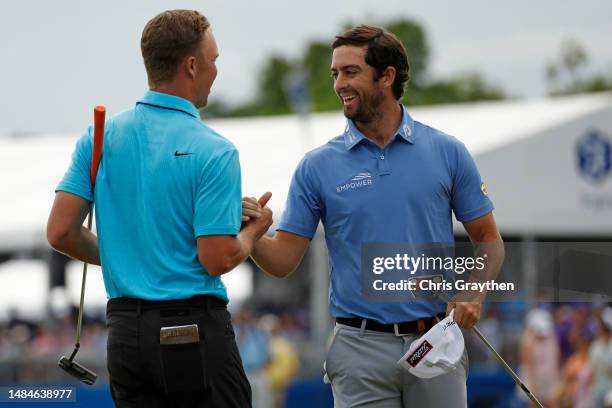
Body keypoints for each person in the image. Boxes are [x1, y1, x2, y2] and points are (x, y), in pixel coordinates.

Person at [243, 25, 504, 407]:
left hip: (435, 342)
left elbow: (489, 241)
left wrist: (474, 291)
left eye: (350, 72)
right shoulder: (316, 166)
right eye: (335, 74)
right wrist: (251, 237)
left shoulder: (448, 152)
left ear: (386, 76)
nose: (339, 84)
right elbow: (283, 260)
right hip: (357, 348)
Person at [47, 9, 272, 407]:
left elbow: (61, 232)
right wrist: (254, 230)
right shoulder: (215, 149)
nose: (216, 70)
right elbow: (217, 257)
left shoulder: (100, 137)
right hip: (193, 330)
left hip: (125, 335)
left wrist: (130, 258)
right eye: (214, 59)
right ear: (191, 65)